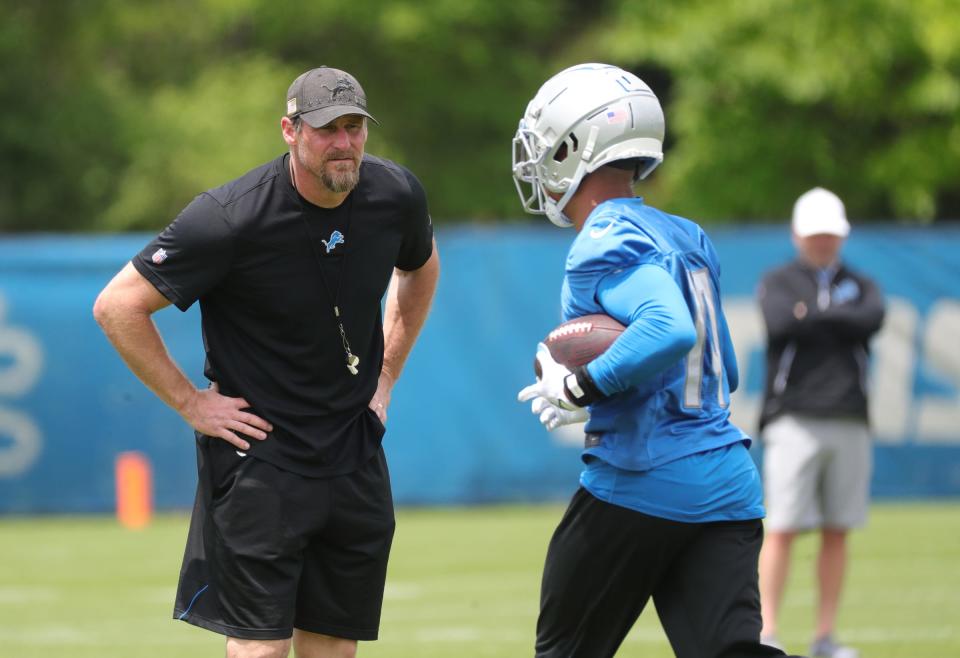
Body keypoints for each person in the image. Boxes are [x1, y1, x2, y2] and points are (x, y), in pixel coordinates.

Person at [93, 66, 439, 658]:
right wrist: (191, 403)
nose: (345, 143)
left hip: (353, 450)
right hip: (261, 458)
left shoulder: (394, 194)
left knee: (333, 645)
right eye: (328, 129)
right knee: (262, 649)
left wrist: (387, 374)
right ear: (290, 130)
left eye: (354, 127)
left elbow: (421, 268)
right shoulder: (229, 217)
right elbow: (118, 306)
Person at [513, 63, 798, 658]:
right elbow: (726, 372)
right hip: (725, 482)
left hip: (640, 481)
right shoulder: (683, 232)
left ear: (574, 146)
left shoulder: (601, 239)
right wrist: (616, 387)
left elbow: (670, 329)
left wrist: (584, 385)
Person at [757, 188, 884, 658]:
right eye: (816, 235)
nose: (823, 243)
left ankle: (824, 636)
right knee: (783, 526)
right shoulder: (780, 280)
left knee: (838, 528)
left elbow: (872, 317)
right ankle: (767, 631)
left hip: (850, 415)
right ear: (797, 235)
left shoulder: (861, 282)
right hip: (794, 417)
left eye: (830, 235)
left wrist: (815, 315)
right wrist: (834, 317)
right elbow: (780, 323)